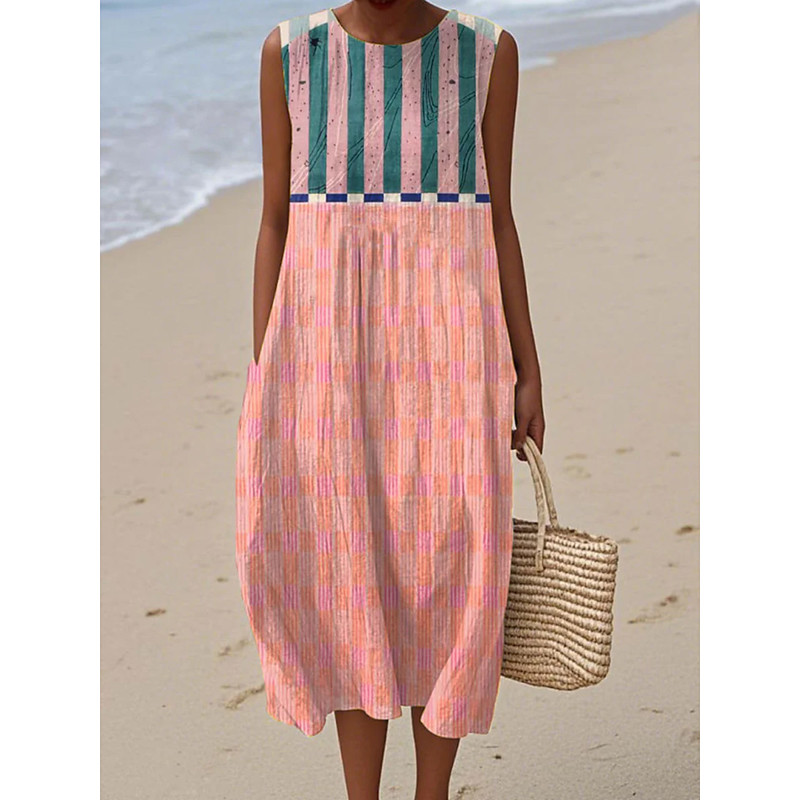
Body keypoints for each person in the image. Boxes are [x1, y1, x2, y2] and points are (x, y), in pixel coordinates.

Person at [235, 2, 544, 798]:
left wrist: (528, 367)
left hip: (455, 356)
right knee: (350, 566)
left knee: (454, 563)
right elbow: (274, 223)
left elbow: (499, 221)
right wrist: (267, 367)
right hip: (326, 358)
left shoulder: (486, 54)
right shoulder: (291, 55)